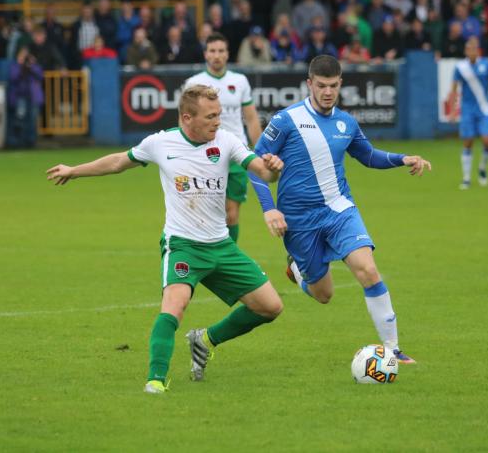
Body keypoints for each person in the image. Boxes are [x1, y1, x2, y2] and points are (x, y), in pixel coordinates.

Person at [46, 85, 285, 394]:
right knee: (175, 305)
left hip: (221, 245)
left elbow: (262, 172)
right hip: (183, 244)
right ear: (188, 118)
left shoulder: (227, 140)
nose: (218, 122)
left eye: (220, 115)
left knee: (270, 306)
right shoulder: (161, 143)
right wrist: (75, 171)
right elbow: (119, 162)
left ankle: (205, 340)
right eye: (211, 116)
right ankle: (155, 380)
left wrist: (273, 170)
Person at [249, 55, 431, 364]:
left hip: (339, 209)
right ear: (309, 84)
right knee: (324, 294)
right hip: (298, 219)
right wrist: (270, 209)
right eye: (321, 86)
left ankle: (393, 349)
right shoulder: (286, 120)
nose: (327, 92)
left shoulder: (347, 122)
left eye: (333, 86)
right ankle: (297, 269)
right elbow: (253, 166)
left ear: (341, 84)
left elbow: (369, 156)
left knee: (368, 269)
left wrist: (403, 158)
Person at [183, 33, 261, 243]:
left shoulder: (240, 81)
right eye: (212, 51)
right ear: (206, 54)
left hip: (235, 153)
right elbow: (185, 121)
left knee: (231, 213)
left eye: (221, 51)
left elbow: (251, 118)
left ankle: (228, 258)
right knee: (203, 211)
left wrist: (261, 150)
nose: (217, 55)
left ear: (228, 54)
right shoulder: (194, 83)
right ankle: (203, 252)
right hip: (203, 153)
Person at [446, 37, 488, 190]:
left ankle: (482, 168)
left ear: (477, 50)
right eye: (468, 49)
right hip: (467, 110)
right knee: (468, 142)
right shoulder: (460, 67)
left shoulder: (486, 65)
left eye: (473, 49)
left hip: (484, 109)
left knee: (487, 141)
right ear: (466, 51)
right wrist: (452, 111)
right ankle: (466, 178)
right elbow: (453, 90)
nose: (470, 51)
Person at [6, 46, 43, 148]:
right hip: (20, 96)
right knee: (20, 120)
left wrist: (30, 66)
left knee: (32, 120)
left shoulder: (34, 66)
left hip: (33, 96)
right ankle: (19, 142)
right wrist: (22, 66)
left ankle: (31, 142)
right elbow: (14, 78)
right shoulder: (15, 66)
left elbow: (40, 76)